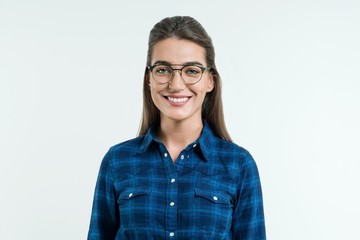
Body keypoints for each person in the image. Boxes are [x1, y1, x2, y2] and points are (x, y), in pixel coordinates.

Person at [88, 16, 266, 240]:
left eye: (191, 70)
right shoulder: (118, 160)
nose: (176, 84)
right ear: (149, 79)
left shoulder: (238, 165)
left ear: (209, 80)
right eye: (163, 70)